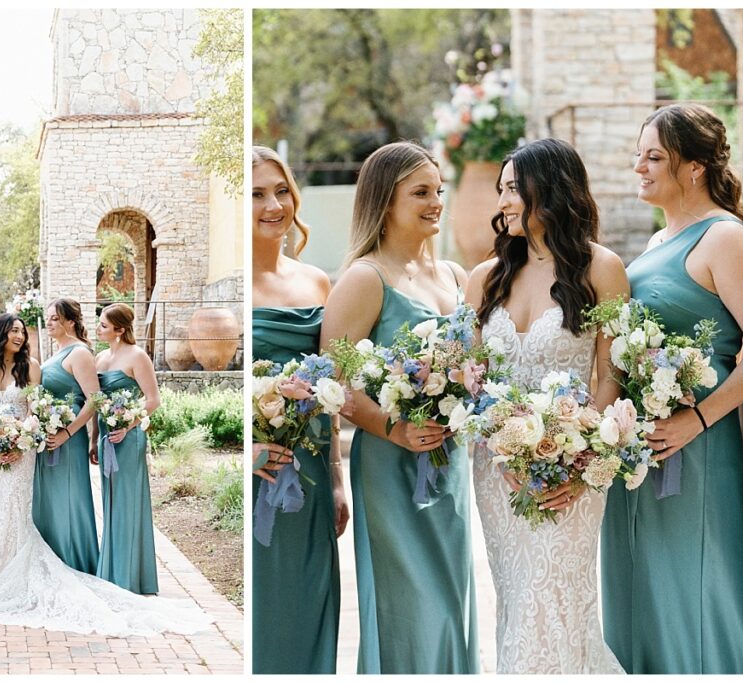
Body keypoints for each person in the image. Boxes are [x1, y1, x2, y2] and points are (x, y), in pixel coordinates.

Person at [466, 138, 627, 674]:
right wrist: (501, 445)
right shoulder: (483, 278)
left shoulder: (600, 270)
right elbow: (472, 383)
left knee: (553, 599)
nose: (504, 201)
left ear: (549, 190)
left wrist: (581, 462)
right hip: (498, 471)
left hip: (574, 469)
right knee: (518, 600)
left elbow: (611, 375)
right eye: (501, 190)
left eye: (513, 188)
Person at [601, 103, 743, 674]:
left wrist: (701, 421)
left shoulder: (725, 239)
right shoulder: (657, 239)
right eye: (637, 155)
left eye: (654, 156)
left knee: (694, 593)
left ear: (694, 167)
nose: (639, 167)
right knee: (639, 593)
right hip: (638, 453)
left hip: (697, 450)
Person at [319, 141, 477, 674]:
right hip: (390, 465)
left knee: (452, 606)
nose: (436, 202)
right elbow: (332, 384)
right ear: (386, 201)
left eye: (439, 191)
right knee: (410, 606)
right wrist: (395, 428)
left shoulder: (455, 276)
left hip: (449, 461)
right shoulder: (365, 278)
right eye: (421, 193)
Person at [0, 313, 209, 636]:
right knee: (0, 510)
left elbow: (35, 411)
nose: (20, 336)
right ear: (0, 333)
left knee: (16, 509)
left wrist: (20, 442)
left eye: (23, 331)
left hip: (23, 448)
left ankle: (13, 576)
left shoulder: (31, 366)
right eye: (15, 331)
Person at [250, 145, 347, 674]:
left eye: (281, 190)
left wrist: (335, 478)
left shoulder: (316, 282)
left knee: (310, 599)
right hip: (261, 466)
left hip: (308, 468)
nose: (274, 205)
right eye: (257, 194)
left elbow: (329, 387)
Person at [94, 303, 161, 594]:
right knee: (110, 504)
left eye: (104, 326)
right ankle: (111, 569)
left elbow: (152, 400)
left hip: (128, 438)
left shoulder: (137, 356)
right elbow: (96, 402)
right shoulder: (98, 358)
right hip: (105, 437)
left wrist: (127, 422)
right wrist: (93, 438)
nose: (99, 329)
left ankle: (130, 574)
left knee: (127, 503)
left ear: (120, 330)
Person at [33, 298, 100, 573]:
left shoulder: (80, 354)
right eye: (48, 318)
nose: (48, 322)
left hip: (67, 441)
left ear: (70, 321)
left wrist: (68, 433)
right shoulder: (56, 354)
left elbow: (94, 399)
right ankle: (52, 560)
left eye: (54, 318)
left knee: (69, 499)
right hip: (47, 439)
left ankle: (75, 562)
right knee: (50, 501)